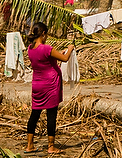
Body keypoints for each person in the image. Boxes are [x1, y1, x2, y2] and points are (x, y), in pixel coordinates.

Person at [25, 22, 74, 154]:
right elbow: (64, 58)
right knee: (51, 115)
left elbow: (47, 59)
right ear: (43, 34)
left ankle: (29, 145)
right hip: (51, 85)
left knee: (34, 115)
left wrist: (61, 52)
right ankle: (51, 146)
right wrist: (69, 48)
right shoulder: (46, 48)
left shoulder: (30, 48)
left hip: (37, 85)